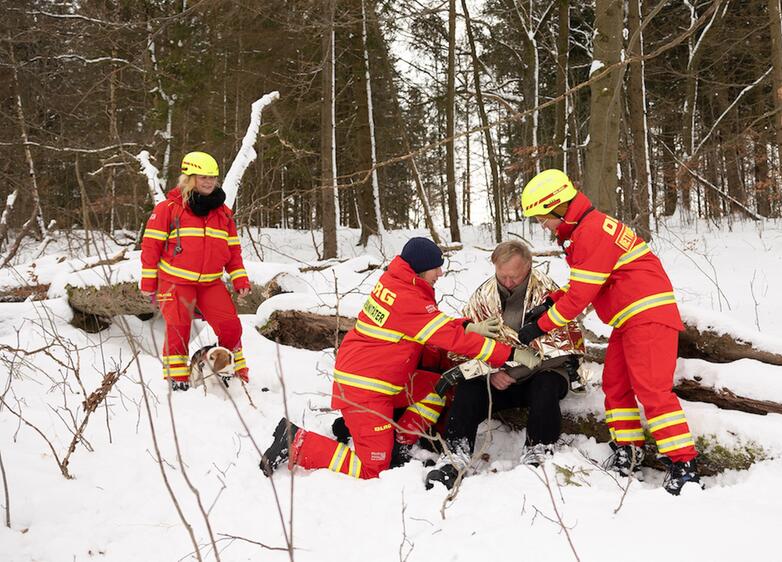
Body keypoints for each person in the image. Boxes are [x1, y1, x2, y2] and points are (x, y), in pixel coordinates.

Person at [259, 237, 543, 480]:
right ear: (420, 270)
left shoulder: (399, 283)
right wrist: (511, 353)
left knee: (439, 386)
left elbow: (431, 324)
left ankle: (401, 442)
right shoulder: (406, 297)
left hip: (383, 381)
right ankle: (297, 442)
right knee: (373, 467)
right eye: (436, 268)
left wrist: (467, 326)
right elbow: (444, 335)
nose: (441, 273)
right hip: (366, 390)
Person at [517, 169, 700, 495]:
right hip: (629, 319)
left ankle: (683, 465)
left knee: (653, 392)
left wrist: (539, 327)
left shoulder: (591, 232)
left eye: (542, 218)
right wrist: (547, 304)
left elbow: (579, 299)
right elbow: (584, 284)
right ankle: (628, 450)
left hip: (647, 317)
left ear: (557, 206)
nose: (543, 225)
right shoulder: (585, 229)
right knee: (616, 387)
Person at [425, 241, 585, 489]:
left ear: (529, 266)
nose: (508, 282)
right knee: (468, 390)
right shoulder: (483, 296)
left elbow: (564, 349)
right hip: (496, 377)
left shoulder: (548, 293)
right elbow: (465, 346)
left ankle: (538, 453)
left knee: (546, 386)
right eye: (503, 276)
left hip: (541, 373)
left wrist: (514, 371)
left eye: (515, 276)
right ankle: (455, 456)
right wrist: (491, 374)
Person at [140, 151, 251, 391]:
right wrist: (149, 284)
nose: (209, 182)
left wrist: (239, 277)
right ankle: (177, 379)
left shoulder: (223, 213)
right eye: (203, 177)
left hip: (210, 283)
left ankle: (229, 368)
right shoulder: (168, 209)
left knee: (231, 325)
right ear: (189, 178)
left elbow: (233, 250)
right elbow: (150, 249)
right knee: (178, 328)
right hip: (175, 281)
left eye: (213, 177)